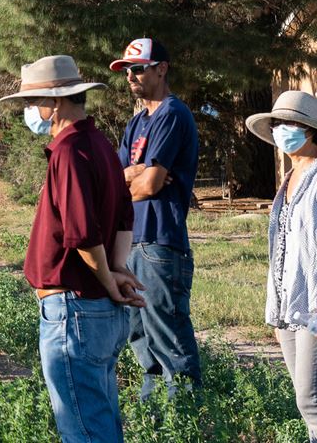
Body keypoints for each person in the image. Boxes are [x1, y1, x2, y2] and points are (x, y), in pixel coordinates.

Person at [1, 55, 144, 443]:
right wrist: (116, 269)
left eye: (33, 102)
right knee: (101, 418)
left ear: (57, 101)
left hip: (73, 308)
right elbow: (124, 217)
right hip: (95, 308)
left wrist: (110, 280)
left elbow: (81, 233)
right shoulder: (99, 144)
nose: (31, 111)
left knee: (82, 428)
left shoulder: (68, 150)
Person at [250, 90, 317, 443]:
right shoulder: (288, 179)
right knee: (304, 401)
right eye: (276, 124)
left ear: (310, 131)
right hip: (288, 304)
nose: (281, 130)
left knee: (312, 399)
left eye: (288, 124)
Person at [114, 37, 202, 400]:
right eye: (127, 71)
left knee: (170, 344)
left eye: (138, 69)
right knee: (141, 341)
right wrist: (137, 174)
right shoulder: (138, 121)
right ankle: (156, 424)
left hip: (160, 244)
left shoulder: (172, 113)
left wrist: (139, 177)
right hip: (132, 242)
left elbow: (150, 185)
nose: (131, 77)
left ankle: (187, 426)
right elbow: (114, 180)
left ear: (161, 69)